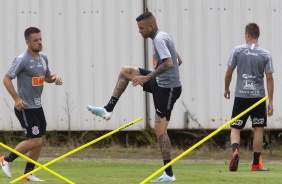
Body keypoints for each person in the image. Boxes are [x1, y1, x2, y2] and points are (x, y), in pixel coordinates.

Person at [87, 11, 182, 182]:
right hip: (159, 82)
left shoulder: (159, 39)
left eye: (141, 28)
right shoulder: (163, 36)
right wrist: (157, 74)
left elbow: (169, 62)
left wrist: (148, 77)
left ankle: (169, 174)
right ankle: (108, 109)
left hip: (167, 89)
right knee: (126, 71)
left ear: (150, 26)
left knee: (160, 129)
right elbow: (177, 60)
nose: (139, 31)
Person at [1, 27, 63, 181]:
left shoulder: (43, 58)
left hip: (37, 106)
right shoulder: (22, 59)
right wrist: (16, 99)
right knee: (34, 140)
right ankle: (6, 160)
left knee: (40, 140)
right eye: (35, 40)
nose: (39, 42)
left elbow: (46, 76)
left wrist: (55, 78)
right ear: (27, 42)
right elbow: (6, 79)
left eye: (40, 39)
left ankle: (28, 174)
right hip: (25, 107)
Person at [224, 23, 274, 172]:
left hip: (241, 95)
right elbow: (270, 78)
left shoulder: (237, 50)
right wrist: (270, 101)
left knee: (235, 127)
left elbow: (229, 73)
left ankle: (235, 151)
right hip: (258, 97)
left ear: (247, 35)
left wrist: (226, 89)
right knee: (258, 129)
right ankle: (255, 164)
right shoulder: (266, 54)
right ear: (258, 35)